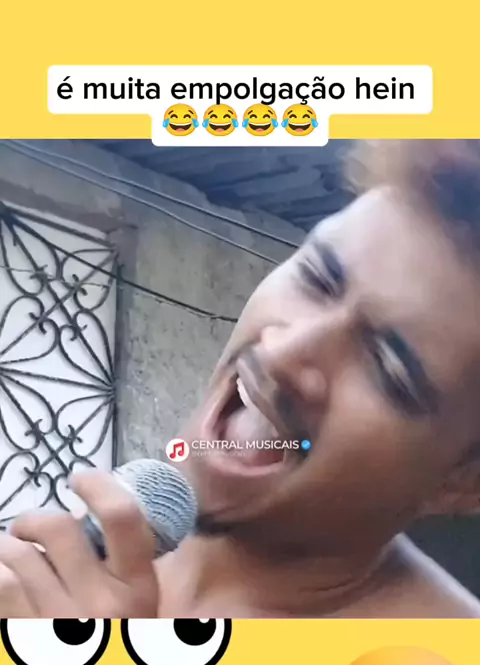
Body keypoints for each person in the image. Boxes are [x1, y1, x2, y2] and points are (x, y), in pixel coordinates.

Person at [2, 139, 480, 617]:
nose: (281, 352)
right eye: (318, 278)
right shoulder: (102, 549)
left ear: (463, 482)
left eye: (388, 366)